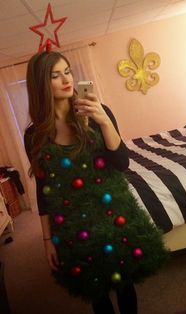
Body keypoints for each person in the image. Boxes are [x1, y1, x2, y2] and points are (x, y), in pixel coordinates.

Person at [24, 51, 168, 314]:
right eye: (55, 75)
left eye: (67, 71)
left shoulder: (99, 112)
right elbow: (43, 189)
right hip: (73, 223)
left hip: (114, 213)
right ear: (40, 84)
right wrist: (47, 240)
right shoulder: (34, 135)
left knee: (124, 284)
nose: (66, 79)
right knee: (96, 290)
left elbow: (122, 163)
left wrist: (102, 120)